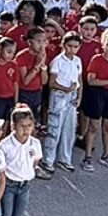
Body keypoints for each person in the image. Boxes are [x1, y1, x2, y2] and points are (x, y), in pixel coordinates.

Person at [81, 30, 108, 171]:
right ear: (103, 44)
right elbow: (91, 81)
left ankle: (106, 155)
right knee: (93, 126)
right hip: (96, 94)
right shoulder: (97, 59)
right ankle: (87, 157)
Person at [41, 34, 83, 175]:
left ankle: (64, 159)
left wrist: (79, 96)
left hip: (72, 96)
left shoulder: (77, 60)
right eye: (69, 46)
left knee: (69, 129)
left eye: (75, 47)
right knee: (54, 128)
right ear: (64, 45)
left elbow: (79, 80)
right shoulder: (58, 61)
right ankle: (48, 160)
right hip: (59, 95)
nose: (72, 49)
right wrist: (66, 88)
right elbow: (52, 83)